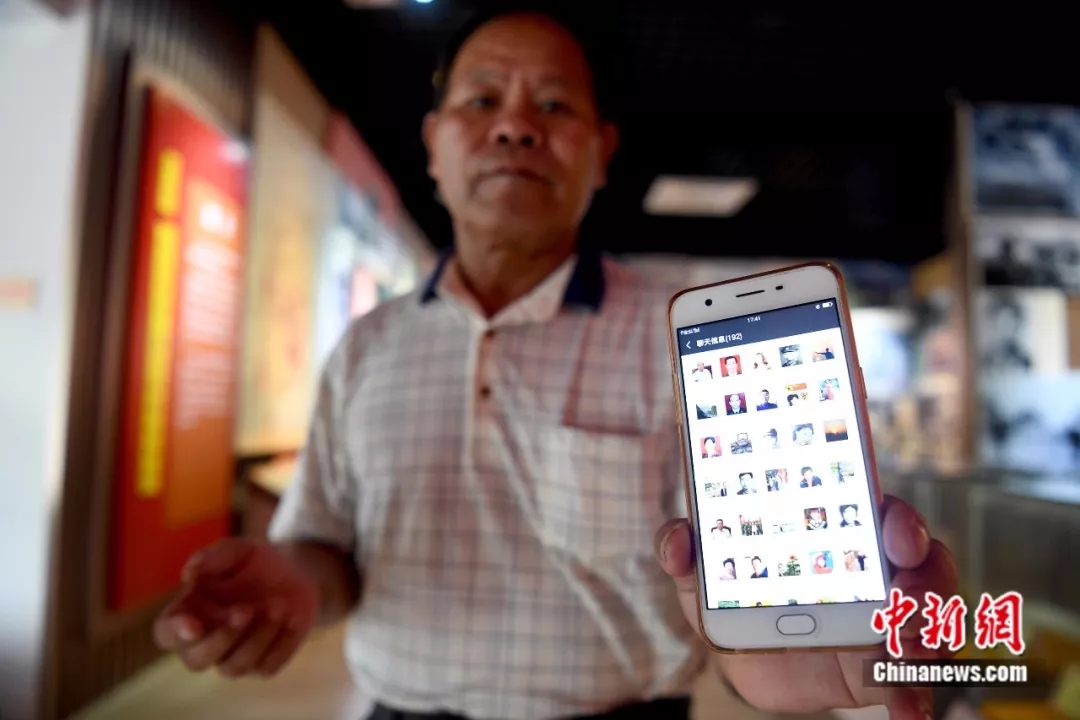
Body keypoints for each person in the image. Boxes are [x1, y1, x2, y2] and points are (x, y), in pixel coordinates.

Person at [152, 8, 956, 719]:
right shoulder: (366, 347)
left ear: (601, 153)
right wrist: (290, 586)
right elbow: (325, 546)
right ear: (432, 144)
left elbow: (745, 586)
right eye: (481, 100)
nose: (515, 127)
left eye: (553, 105)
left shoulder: (683, 339)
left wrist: (785, 653)